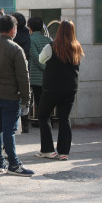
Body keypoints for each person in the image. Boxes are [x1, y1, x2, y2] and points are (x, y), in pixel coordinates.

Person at [0, 15, 34, 177]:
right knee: (9, 131)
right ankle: (14, 163)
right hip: (11, 96)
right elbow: (23, 77)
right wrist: (26, 99)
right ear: (13, 30)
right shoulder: (16, 49)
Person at [36, 20, 84, 161]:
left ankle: (48, 150)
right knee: (65, 118)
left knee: (43, 116)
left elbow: (40, 59)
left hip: (52, 87)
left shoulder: (51, 46)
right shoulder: (77, 47)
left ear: (59, 31)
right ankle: (64, 152)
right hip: (70, 87)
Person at [27, 17, 50, 127]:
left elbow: (36, 58)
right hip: (48, 77)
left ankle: (42, 121)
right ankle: (46, 120)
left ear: (29, 27)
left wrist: (44, 68)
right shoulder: (48, 39)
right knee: (46, 100)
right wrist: (49, 69)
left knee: (39, 100)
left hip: (36, 77)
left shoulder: (31, 40)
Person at [11, 12, 31, 133]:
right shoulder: (27, 33)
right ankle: (26, 123)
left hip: (12, 68)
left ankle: (16, 124)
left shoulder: (14, 35)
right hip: (25, 66)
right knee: (25, 95)